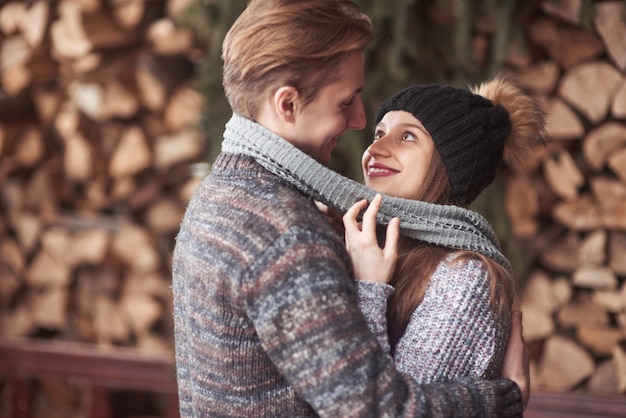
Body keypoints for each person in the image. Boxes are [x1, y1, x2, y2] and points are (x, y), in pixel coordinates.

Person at [171, 0, 528, 416]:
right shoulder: (287, 235)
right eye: (346, 102)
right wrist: (504, 397)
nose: (361, 124)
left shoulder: (218, 197)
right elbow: (376, 409)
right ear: (287, 104)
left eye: (408, 136)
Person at [343, 78, 545, 384]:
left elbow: (390, 407)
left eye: (407, 137)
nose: (374, 149)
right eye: (379, 133)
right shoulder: (361, 240)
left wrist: (368, 287)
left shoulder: (466, 279)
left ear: (448, 166)